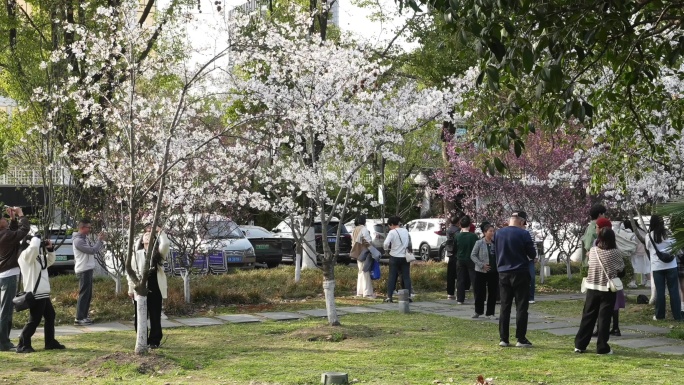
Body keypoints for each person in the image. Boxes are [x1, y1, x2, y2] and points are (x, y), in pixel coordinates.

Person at [574, 226, 625, 355]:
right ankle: (602, 347)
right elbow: (621, 269)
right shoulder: (615, 252)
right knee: (604, 319)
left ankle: (580, 345)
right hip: (607, 288)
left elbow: (591, 264)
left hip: (592, 287)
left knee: (588, 316)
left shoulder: (593, 251)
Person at [16, 235, 66, 353]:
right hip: (35, 293)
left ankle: (50, 342)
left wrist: (50, 249)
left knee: (50, 316)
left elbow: (50, 261)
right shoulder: (25, 256)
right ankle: (22, 344)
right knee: (34, 320)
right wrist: (35, 238)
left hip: (43, 292)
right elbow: (33, 248)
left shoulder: (37, 257)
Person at [495, 211, 536, 348]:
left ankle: (504, 338)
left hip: (503, 272)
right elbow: (532, 253)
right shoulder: (524, 234)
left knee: (505, 307)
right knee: (521, 307)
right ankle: (521, 338)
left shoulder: (498, 233)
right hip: (520, 272)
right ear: (521, 221)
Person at [129, 227, 170, 349]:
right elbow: (131, 273)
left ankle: (154, 341)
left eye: (150, 235)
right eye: (145, 235)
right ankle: (142, 339)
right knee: (139, 314)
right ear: (141, 240)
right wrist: (131, 288)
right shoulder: (136, 254)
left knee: (155, 314)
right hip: (140, 287)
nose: (147, 235)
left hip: (155, 286)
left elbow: (166, 243)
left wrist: (159, 231)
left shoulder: (158, 253)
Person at [0, 206, 30, 351]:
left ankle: (4, 340)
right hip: (9, 276)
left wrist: (12, 219)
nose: (4, 219)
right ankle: (3, 342)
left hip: (3, 275)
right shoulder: (5, 235)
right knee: (5, 311)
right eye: (2, 219)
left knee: (4, 309)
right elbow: (23, 231)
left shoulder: (4, 234)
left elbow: (12, 233)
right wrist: (20, 214)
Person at [645, 215, 682, 321]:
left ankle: (660, 315)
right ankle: (677, 316)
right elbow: (676, 246)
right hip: (671, 265)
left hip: (657, 266)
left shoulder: (649, 236)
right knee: (674, 290)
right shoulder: (669, 233)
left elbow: (648, 247)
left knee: (660, 291)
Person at [72, 219, 106, 326]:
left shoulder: (84, 239)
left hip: (87, 269)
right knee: (84, 294)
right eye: (88, 227)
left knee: (88, 294)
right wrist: (99, 240)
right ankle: (79, 318)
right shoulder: (78, 240)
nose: (90, 229)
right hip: (83, 270)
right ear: (82, 228)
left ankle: (84, 316)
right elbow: (91, 250)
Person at [470, 222, 498, 319]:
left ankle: (490, 313)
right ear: (485, 232)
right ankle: (478, 311)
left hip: (493, 271)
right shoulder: (479, 243)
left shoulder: (495, 243)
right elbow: (473, 255)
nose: (492, 233)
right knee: (480, 292)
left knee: (493, 292)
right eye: (490, 231)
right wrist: (481, 265)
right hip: (481, 271)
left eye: (493, 231)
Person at [383, 216, 412, 303]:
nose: (389, 227)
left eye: (389, 225)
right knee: (406, 277)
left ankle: (389, 297)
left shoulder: (392, 232)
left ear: (391, 224)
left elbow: (385, 244)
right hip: (405, 257)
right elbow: (408, 243)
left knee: (392, 277)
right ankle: (408, 296)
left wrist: (386, 250)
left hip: (394, 256)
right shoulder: (405, 231)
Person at [351, 215, 379, 299]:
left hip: (357, 253)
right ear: (364, 221)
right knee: (366, 271)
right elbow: (368, 241)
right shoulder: (364, 229)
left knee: (360, 272)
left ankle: (359, 292)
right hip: (365, 253)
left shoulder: (354, 230)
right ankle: (367, 293)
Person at [455, 216, 478, 305]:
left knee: (460, 279)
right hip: (471, 259)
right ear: (469, 225)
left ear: (460, 225)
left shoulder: (457, 236)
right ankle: (477, 297)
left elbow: (454, 248)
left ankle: (460, 299)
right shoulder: (473, 236)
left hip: (460, 259)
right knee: (474, 279)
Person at [621, 220, 650, 289]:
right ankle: (649, 281)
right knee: (646, 267)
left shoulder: (633, 232)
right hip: (645, 251)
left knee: (634, 267)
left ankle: (632, 282)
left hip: (636, 252)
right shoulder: (642, 230)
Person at [582, 204, 607, 270]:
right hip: (595, 263)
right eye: (603, 214)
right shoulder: (594, 229)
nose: (605, 216)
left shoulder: (590, 227)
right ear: (599, 215)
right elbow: (588, 246)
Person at [445, 216, 459, 300]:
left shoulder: (448, 230)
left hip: (450, 253)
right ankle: (459, 291)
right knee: (458, 274)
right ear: (458, 222)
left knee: (450, 274)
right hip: (456, 253)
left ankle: (450, 293)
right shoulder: (458, 231)